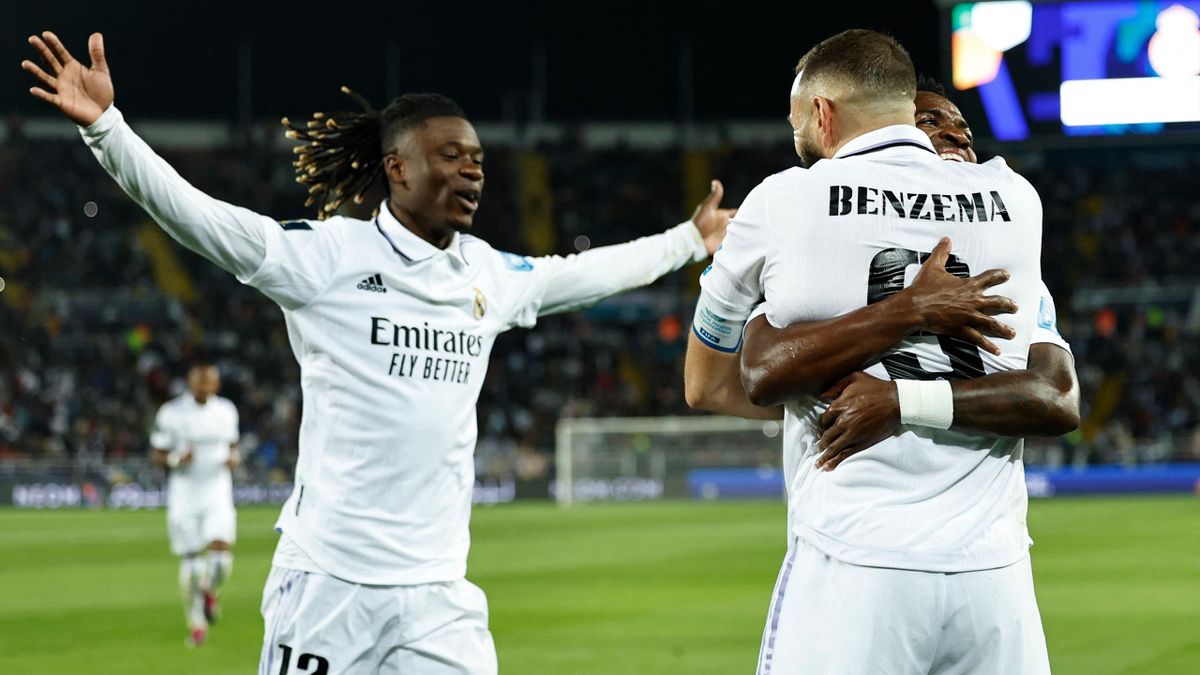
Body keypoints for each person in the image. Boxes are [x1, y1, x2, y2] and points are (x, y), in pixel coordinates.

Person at [23, 31, 732, 674]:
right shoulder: (328, 255)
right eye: (450, 156)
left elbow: (584, 274)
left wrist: (688, 241)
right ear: (397, 167)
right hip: (330, 584)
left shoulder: (488, 274)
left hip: (439, 596)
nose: (473, 172)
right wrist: (108, 132)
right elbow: (200, 217)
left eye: (479, 160)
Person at [685, 30, 1075, 674]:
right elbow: (1051, 392)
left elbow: (711, 383)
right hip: (994, 575)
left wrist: (820, 376)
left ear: (822, 114)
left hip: (854, 562)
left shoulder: (786, 201)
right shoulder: (1017, 204)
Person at [150, 362, 241, 647]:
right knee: (191, 564)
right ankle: (197, 623)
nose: (203, 386)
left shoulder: (226, 411)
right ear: (191, 383)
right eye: (199, 381)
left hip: (217, 491)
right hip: (185, 495)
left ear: (215, 385)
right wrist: (177, 460)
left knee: (221, 561)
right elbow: (158, 453)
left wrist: (233, 458)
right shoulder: (172, 413)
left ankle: (210, 590)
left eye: (208, 382)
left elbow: (233, 445)